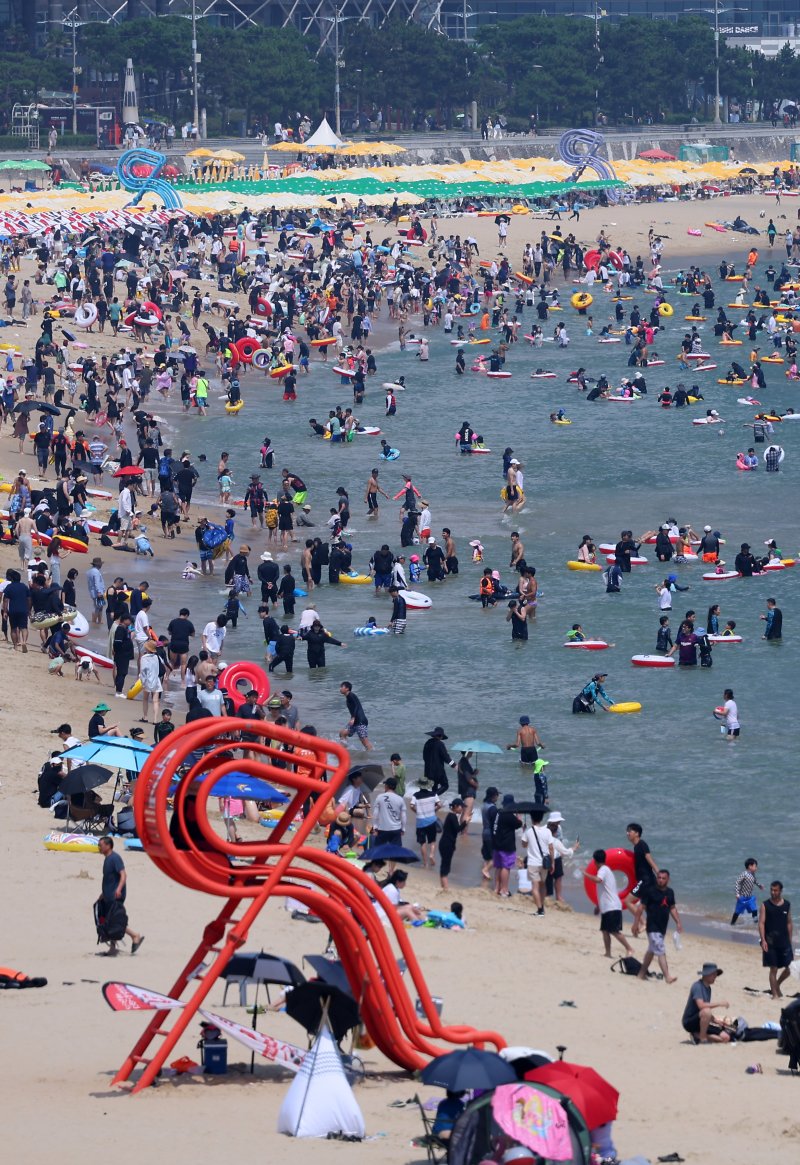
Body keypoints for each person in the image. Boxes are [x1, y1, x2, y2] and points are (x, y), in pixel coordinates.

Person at [631, 868, 682, 983]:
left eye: (663, 878)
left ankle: (641, 974)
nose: (660, 880)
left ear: (668, 879)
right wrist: (636, 924)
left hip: (662, 927)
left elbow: (672, 908)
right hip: (652, 927)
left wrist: (678, 922)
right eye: (659, 877)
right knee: (660, 949)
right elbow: (640, 908)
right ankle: (667, 976)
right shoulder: (650, 891)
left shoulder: (670, 892)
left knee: (651, 951)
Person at [96, 836, 144, 956]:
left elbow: (123, 875)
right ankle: (113, 948)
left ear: (108, 846)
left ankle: (135, 936)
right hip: (108, 895)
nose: (99, 848)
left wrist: (118, 889)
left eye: (100, 845)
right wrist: (103, 894)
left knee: (114, 921)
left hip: (116, 896)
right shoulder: (107, 859)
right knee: (111, 921)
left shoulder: (115, 858)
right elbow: (109, 879)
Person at [585, 849, 635, 958]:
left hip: (612, 906)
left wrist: (586, 874)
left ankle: (629, 948)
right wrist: (598, 906)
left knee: (614, 931)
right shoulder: (607, 871)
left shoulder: (603, 869)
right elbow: (605, 890)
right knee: (605, 931)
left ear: (595, 861)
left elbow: (598, 880)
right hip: (608, 907)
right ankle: (608, 953)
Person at [759, 881, 793, 998]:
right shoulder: (765, 905)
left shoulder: (787, 905)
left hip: (784, 941)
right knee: (773, 968)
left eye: (775, 890)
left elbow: (789, 923)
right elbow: (761, 923)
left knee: (790, 968)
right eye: (772, 890)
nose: (773, 892)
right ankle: (775, 995)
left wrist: (790, 940)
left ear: (780, 891)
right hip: (770, 942)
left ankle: (776, 985)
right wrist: (763, 940)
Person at [681, 964, 731, 1044]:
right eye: (713, 974)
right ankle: (702, 1038)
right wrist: (719, 1003)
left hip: (702, 1020)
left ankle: (697, 1035)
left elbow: (705, 1011)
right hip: (690, 1021)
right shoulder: (697, 986)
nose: (715, 977)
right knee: (707, 1011)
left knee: (725, 1038)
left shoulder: (708, 988)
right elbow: (701, 1006)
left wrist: (715, 1021)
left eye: (716, 975)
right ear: (707, 975)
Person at [521, 808, 554, 915]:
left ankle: (540, 910)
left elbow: (524, 845)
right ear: (541, 818)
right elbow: (551, 848)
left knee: (534, 887)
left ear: (531, 818)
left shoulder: (528, 831)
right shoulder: (547, 831)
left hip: (533, 862)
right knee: (543, 885)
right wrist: (552, 862)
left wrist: (523, 831)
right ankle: (542, 905)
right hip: (544, 863)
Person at [492, 793, 521, 898]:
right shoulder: (509, 815)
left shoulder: (498, 812)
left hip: (497, 844)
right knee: (506, 867)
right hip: (506, 845)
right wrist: (518, 815)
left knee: (498, 866)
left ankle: (496, 888)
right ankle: (504, 889)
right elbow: (519, 824)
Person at [410, 785, 440, 868]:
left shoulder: (416, 795)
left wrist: (417, 811)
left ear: (419, 786)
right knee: (432, 841)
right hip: (431, 821)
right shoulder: (433, 794)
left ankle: (425, 862)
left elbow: (411, 806)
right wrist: (434, 810)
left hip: (421, 822)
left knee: (422, 842)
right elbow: (439, 804)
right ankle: (431, 855)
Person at [626, 822, 659, 897]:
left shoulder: (641, 844)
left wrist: (659, 873)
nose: (627, 833)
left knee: (628, 901)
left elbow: (649, 858)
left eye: (630, 831)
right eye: (627, 831)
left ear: (637, 833)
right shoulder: (636, 846)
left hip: (645, 880)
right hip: (648, 880)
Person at [371, 776, 406, 846]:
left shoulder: (379, 797)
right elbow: (403, 816)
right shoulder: (400, 799)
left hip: (382, 829)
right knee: (396, 852)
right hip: (396, 829)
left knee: (379, 852)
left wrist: (375, 827)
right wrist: (403, 829)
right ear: (395, 787)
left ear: (386, 786)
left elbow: (375, 814)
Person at [422, 726, 457, 795]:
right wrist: (454, 765)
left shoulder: (427, 743)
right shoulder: (440, 744)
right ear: (441, 736)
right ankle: (432, 797)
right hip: (438, 772)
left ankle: (433, 802)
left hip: (428, 771)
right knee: (445, 785)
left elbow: (424, 757)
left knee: (434, 788)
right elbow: (446, 757)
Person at [338, 681, 372, 751]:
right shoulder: (348, 697)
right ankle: (343, 749)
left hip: (360, 721)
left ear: (347, 688)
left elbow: (356, 706)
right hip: (355, 721)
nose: (340, 689)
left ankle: (371, 754)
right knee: (342, 733)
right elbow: (354, 708)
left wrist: (353, 718)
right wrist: (352, 719)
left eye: (342, 687)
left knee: (364, 741)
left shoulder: (351, 695)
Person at [438, 799, 464, 890]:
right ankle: (445, 887)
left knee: (445, 864)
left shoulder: (451, 816)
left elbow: (454, 831)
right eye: (461, 806)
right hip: (446, 844)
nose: (462, 809)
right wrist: (466, 822)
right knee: (446, 865)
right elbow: (458, 829)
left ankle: (443, 884)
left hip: (446, 843)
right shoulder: (452, 816)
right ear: (456, 806)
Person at [730, 857, 763, 925]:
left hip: (750, 898)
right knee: (737, 912)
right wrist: (737, 893)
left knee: (754, 910)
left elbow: (755, 881)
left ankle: (756, 923)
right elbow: (737, 882)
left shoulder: (753, 874)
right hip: (742, 897)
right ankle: (732, 924)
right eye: (755, 866)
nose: (756, 868)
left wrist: (759, 885)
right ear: (750, 866)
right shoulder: (744, 874)